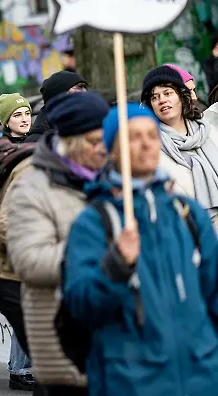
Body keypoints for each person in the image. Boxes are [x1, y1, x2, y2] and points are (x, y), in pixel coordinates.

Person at [63, 104, 218, 396]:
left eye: (151, 135)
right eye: (133, 137)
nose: (146, 143)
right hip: (131, 383)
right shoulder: (94, 223)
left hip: (203, 378)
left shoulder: (189, 215)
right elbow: (80, 308)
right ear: (112, 151)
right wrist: (117, 265)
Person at [7, 92, 110, 396]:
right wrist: (103, 257)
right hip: (61, 339)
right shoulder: (32, 187)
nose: (103, 147)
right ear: (72, 140)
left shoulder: (113, 181)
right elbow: (29, 260)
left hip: (110, 338)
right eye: (94, 140)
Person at [0, 93, 39, 391]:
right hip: (10, 237)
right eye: (17, 115)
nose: (24, 118)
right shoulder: (0, 151)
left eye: (27, 113)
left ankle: (22, 366)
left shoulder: (33, 145)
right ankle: (22, 367)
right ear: (6, 121)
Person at [141, 65, 218, 223]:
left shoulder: (209, 131)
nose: (162, 100)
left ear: (182, 97)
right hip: (193, 232)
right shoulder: (151, 148)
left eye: (167, 93)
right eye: (155, 97)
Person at [26, 71, 89, 144]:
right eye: (79, 87)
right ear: (59, 95)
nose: (85, 91)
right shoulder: (37, 141)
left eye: (85, 87)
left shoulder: (91, 128)